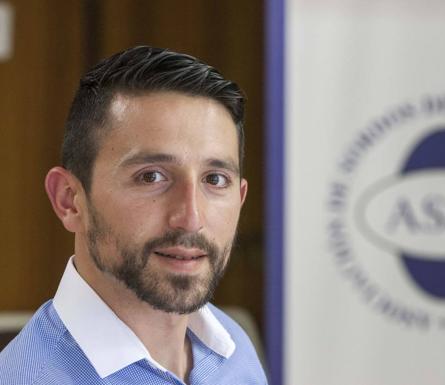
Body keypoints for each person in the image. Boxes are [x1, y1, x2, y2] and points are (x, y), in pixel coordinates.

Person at [0, 46, 267, 385]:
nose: (191, 217)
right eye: (151, 176)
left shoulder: (232, 348)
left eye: (215, 180)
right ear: (69, 201)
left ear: (241, 198)